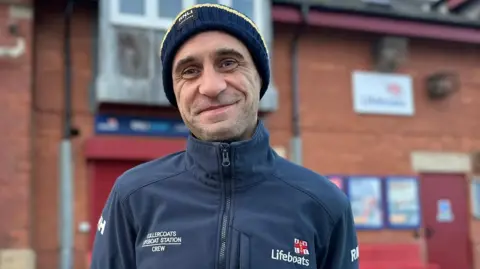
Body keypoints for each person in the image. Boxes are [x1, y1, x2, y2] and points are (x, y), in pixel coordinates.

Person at [90, 3, 359, 269]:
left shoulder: (325, 205)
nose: (211, 86)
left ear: (260, 77)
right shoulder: (133, 196)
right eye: (189, 71)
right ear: (175, 92)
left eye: (228, 63)